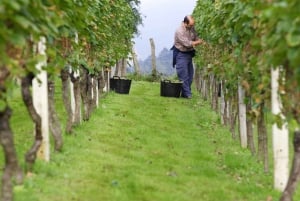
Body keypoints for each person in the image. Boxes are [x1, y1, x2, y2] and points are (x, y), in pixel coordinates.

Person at [172, 15, 204, 99]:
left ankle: (185, 93)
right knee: (183, 75)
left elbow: (196, 37)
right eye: (191, 25)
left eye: (193, 25)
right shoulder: (179, 31)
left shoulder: (191, 28)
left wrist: (200, 40)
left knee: (190, 75)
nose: (192, 27)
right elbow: (187, 44)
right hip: (181, 54)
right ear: (185, 23)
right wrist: (199, 42)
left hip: (188, 54)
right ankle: (188, 95)